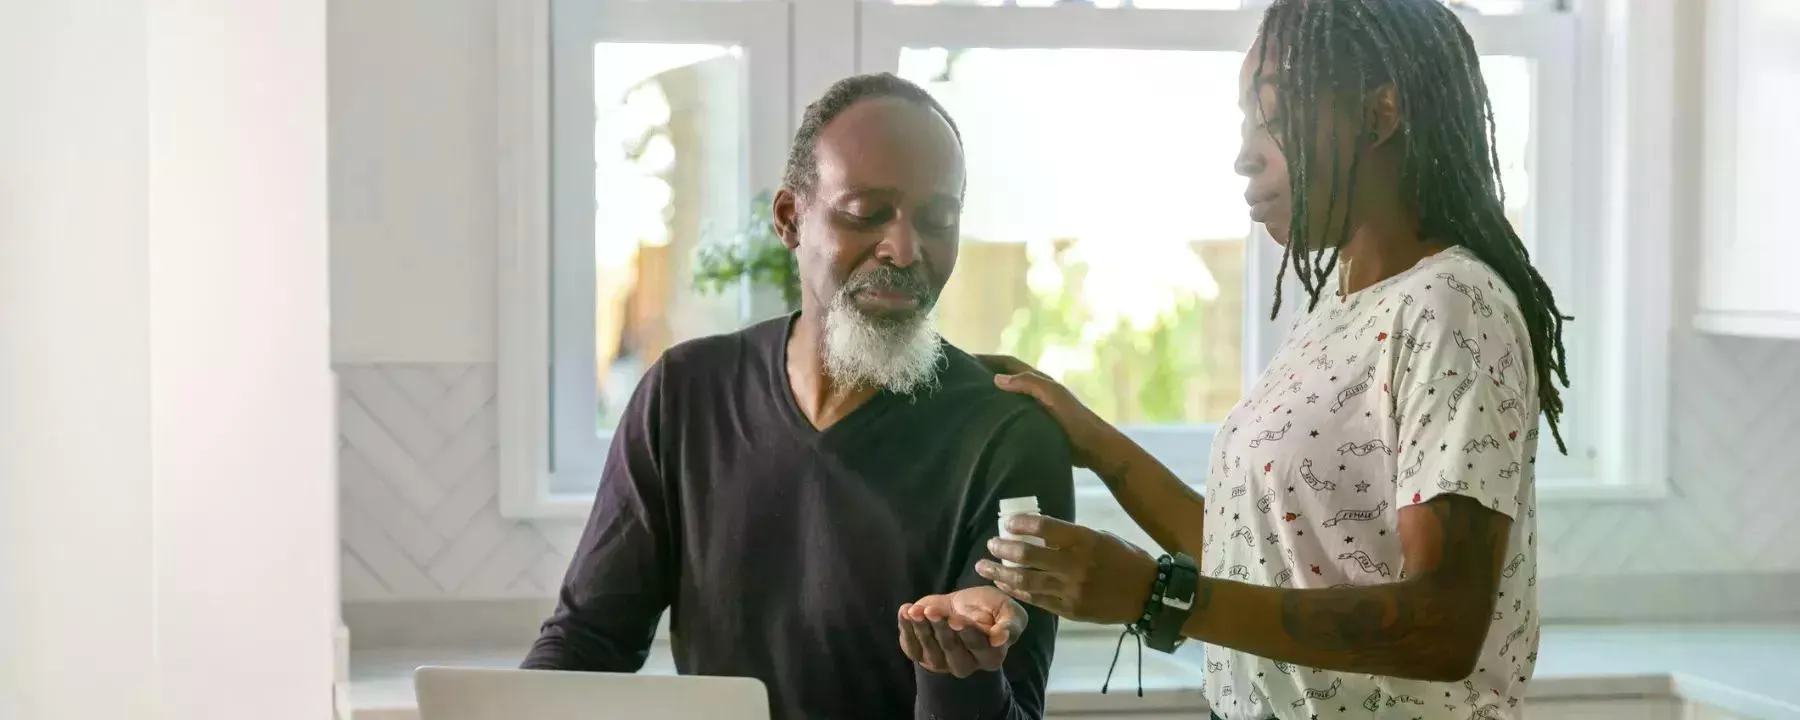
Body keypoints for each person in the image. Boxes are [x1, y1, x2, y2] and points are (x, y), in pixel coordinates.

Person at [929, 1, 1572, 719]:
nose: (1244, 154)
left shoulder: (1452, 306)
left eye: (1269, 116)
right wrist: (1095, 441)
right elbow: (1259, 555)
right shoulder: (1336, 311)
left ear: (1379, 115)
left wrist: (1155, 597)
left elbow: (1441, 627)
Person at [522, 73, 1076, 720]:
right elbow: (589, 640)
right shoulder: (683, 396)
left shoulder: (1009, 437)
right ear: (790, 219)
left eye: (939, 219)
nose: (905, 249)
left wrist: (960, 673)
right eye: (866, 213)